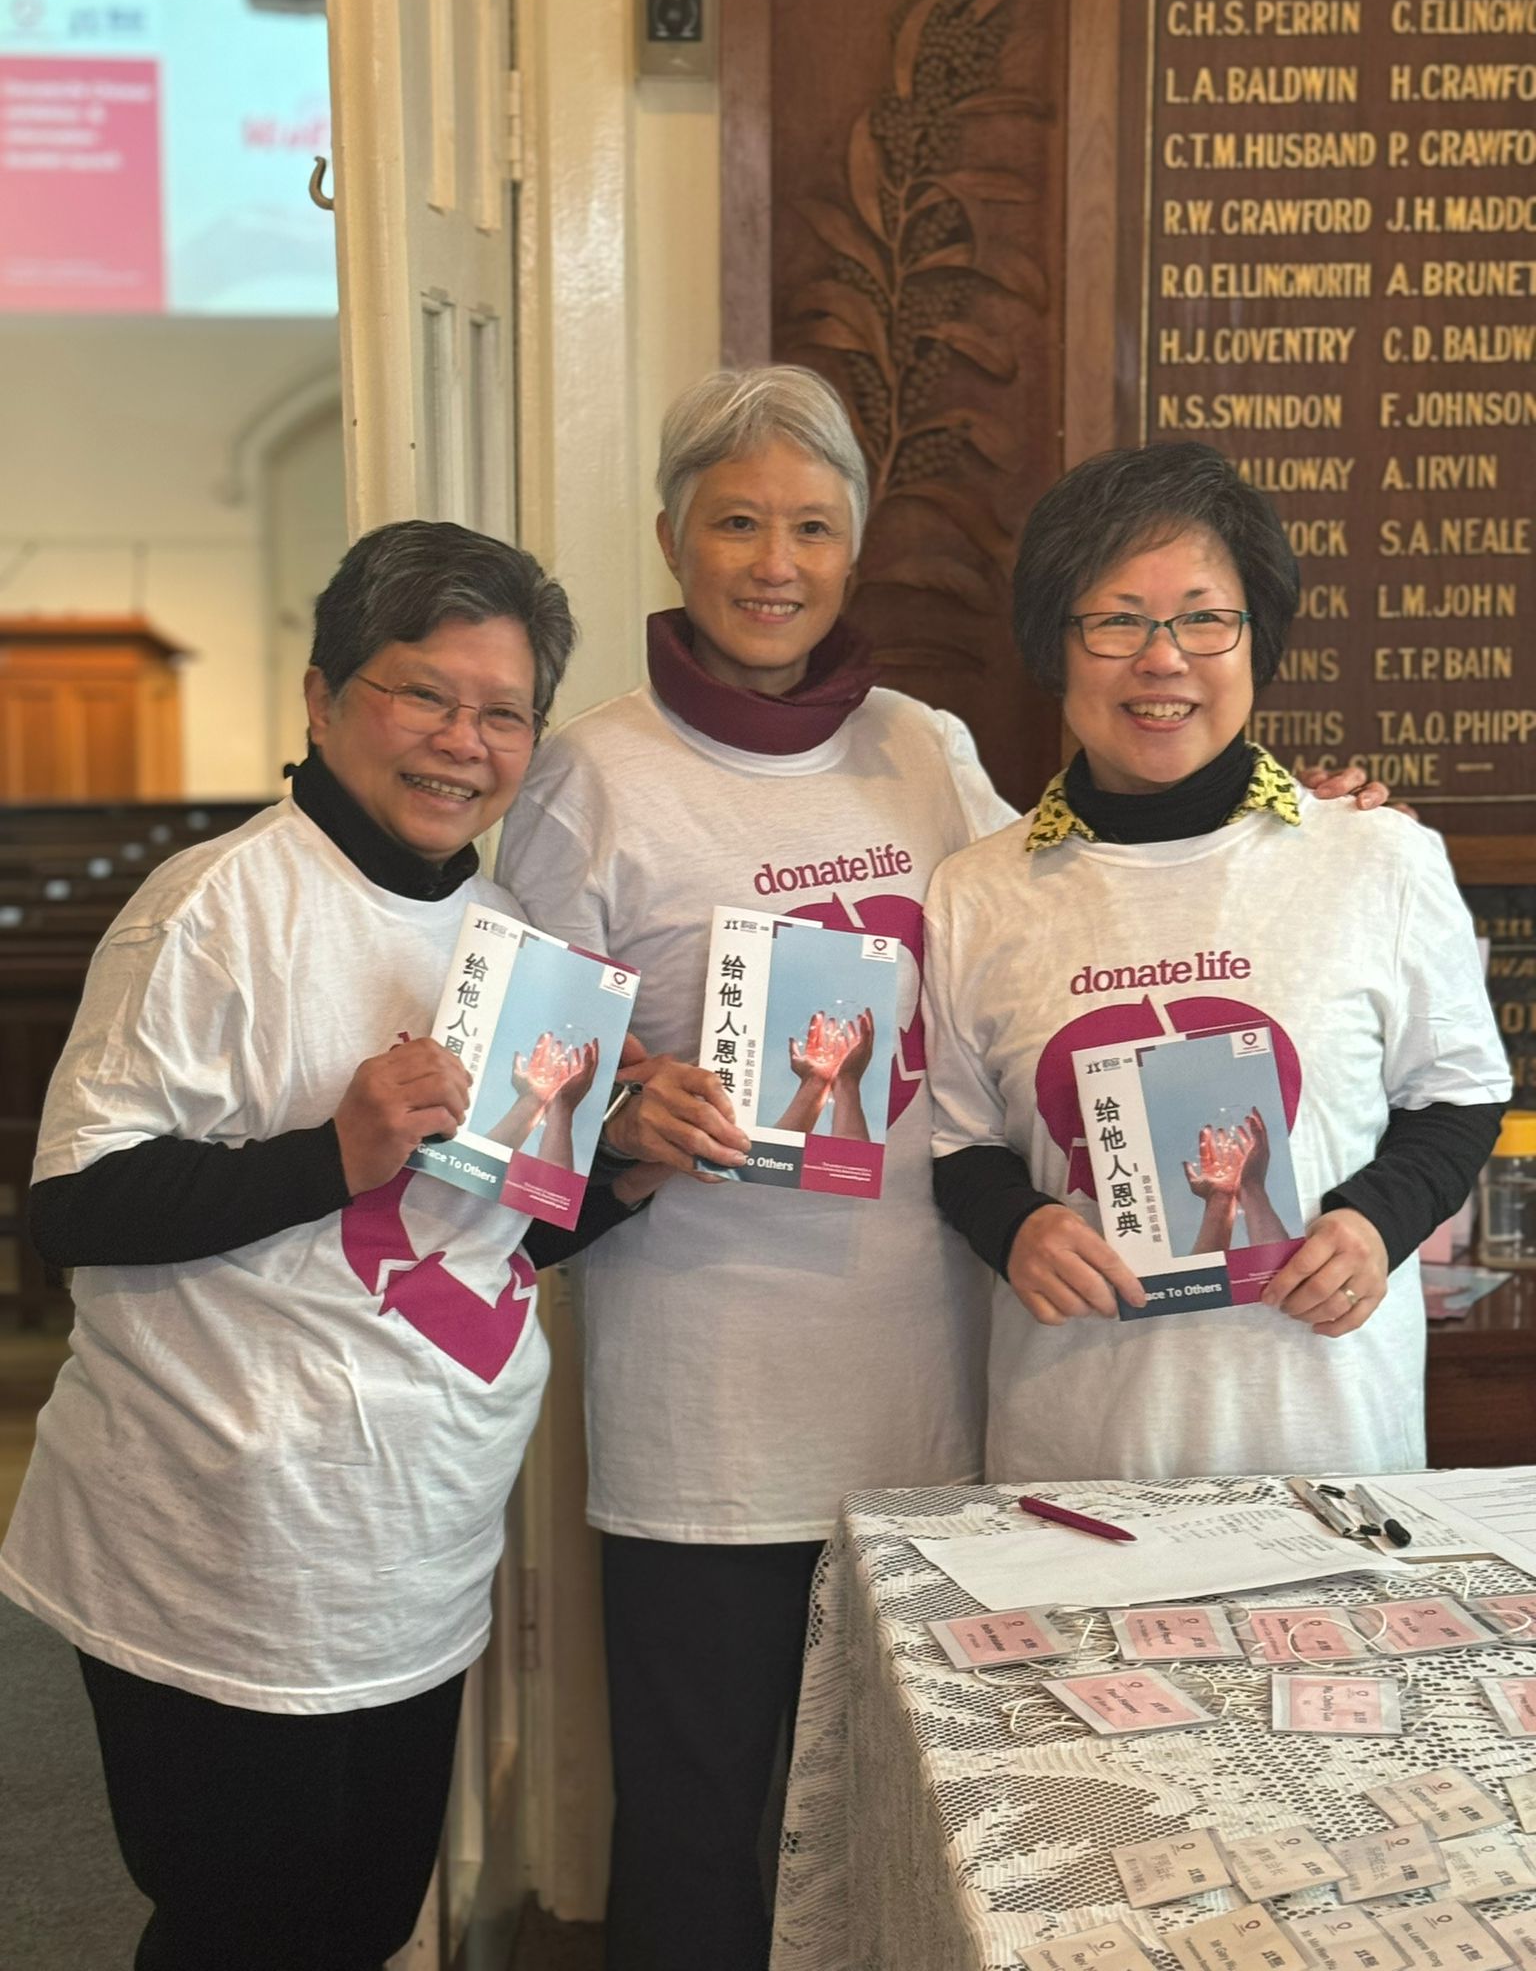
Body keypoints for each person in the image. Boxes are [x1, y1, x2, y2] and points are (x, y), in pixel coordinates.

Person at [494, 372, 1389, 1970]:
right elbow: (523, 1105)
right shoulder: (591, 774)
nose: (777, 561)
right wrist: (627, 1115)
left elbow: (1086, 905)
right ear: (671, 538)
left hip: (949, 1383)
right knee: (704, 1825)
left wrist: (1291, 825)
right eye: (738, 522)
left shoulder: (927, 750)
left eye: (814, 527)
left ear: (857, 554)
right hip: (710, 1400)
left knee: (925, 1810)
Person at [0, 521, 659, 1971]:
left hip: (410, 1546)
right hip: (221, 1550)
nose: (460, 742)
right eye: (424, 694)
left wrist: (625, 1177)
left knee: (359, 1922)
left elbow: (494, 1240)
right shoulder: (213, 907)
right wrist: (331, 1153)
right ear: (319, 697)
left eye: (502, 714)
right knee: (242, 1931)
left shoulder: (509, 942)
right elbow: (76, 1207)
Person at [923, 441, 1511, 1483]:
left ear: (1257, 640)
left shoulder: (1377, 857)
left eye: (1204, 616)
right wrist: (1012, 1225)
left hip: (1326, 1443)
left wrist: (1378, 1224)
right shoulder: (979, 891)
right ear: (1054, 645)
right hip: (1074, 1451)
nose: (1163, 659)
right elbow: (960, 1142)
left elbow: (1459, 1093)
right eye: (1116, 619)